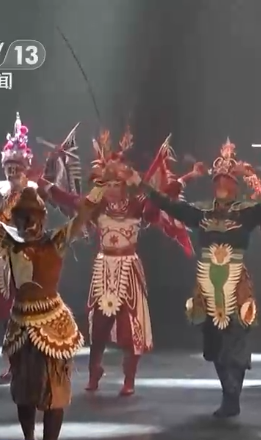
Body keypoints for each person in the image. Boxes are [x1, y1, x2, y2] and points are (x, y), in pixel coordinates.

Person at [44, 129, 193, 396]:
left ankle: (129, 378)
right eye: (108, 184)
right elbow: (71, 200)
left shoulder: (137, 205)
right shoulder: (97, 207)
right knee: (98, 325)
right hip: (104, 268)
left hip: (129, 268)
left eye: (116, 184)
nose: (112, 189)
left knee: (130, 324)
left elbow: (160, 198)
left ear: (124, 185)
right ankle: (94, 370)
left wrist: (177, 179)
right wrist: (44, 185)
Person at [0, 175, 103, 440]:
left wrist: (102, 184)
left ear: (42, 218)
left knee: (55, 391)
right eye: (23, 218)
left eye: (33, 217)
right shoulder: (9, 239)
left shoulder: (55, 240)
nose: (28, 223)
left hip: (52, 322)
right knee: (23, 391)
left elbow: (84, 213)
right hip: (21, 322)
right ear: (16, 219)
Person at [130, 139, 261, 418]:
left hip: (237, 283)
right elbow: (168, 205)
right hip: (207, 283)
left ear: (236, 185)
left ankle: (233, 395)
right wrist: (140, 183)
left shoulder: (247, 211)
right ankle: (227, 392)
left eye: (228, 180)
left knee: (236, 338)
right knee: (215, 341)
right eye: (219, 179)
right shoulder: (201, 211)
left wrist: (251, 175)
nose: (222, 184)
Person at [0, 112, 80, 380]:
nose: (12, 172)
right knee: (6, 309)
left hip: (31, 253)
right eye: (9, 167)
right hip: (4, 252)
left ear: (25, 167)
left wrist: (78, 204)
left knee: (35, 304)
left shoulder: (35, 188)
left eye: (17, 167)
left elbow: (59, 196)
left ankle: (39, 351)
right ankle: (12, 358)